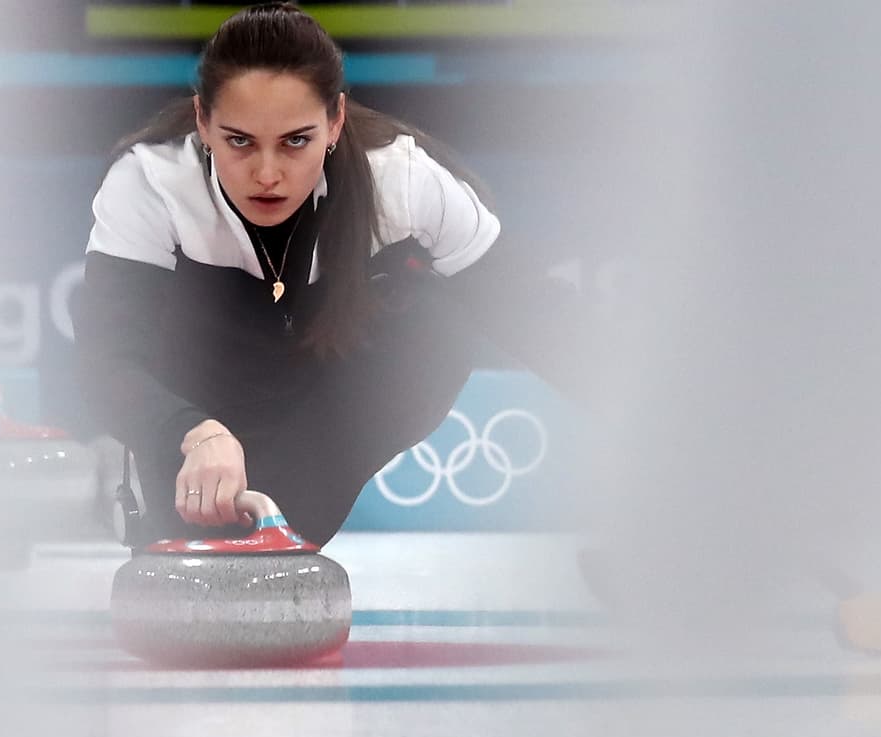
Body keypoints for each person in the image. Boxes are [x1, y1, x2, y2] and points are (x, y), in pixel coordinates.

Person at [72, 1, 582, 546]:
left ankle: (281, 527)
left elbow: (540, 317)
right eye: (240, 140)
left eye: (296, 140)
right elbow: (105, 360)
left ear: (335, 121)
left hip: (323, 407)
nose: (267, 174)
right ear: (202, 121)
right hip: (196, 415)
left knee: (439, 321)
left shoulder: (404, 181)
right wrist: (189, 434)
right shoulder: (150, 184)